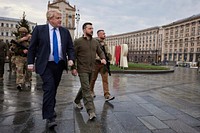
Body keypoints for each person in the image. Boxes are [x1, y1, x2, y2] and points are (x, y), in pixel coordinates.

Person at [27, 9, 75, 128]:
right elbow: (32, 48)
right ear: (50, 19)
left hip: (59, 65)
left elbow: (70, 47)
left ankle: (50, 110)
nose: (60, 20)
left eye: (60, 17)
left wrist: (71, 59)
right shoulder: (39, 30)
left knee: (53, 89)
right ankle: (50, 117)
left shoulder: (65, 31)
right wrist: (30, 63)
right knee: (49, 88)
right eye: (58, 18)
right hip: (45, 64)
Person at [71, 22, 106, 120]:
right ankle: (91, 111)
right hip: (82, 69)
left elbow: (100, 51)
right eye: (89, 28)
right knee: (87, 90)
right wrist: (73, 67)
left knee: (85, 87)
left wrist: (103, 58)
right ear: (84, 30)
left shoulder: (95, 42)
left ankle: (77, 100)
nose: (92, 30)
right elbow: (73, 55)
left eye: (92, 28)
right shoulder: (78, 41)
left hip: (92, 68)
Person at [90, 30, 115, 101]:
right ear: (98, 34)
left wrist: (109, 58)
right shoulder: (94, 42)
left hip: (104, 65)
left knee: (105, 80)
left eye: (105, 33)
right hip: (96, 63)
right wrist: (99, 59)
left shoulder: (105, 43)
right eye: (103, 33)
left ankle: (107, 95)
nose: (105, 34)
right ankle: (91, 91)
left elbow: (107, 52)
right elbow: (93, 52)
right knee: (93, 79)